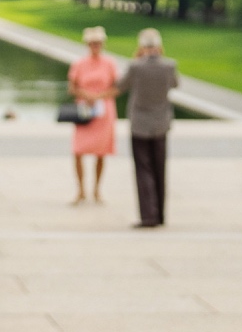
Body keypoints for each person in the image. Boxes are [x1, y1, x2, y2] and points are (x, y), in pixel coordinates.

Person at [122, 28, 179, 226]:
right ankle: (160, 214)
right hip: (161, 124)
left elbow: (121, 85)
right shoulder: (169, 66)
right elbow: (174, 84)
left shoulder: (135, 66)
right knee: (159, 169)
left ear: (141, 47)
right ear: (159, 46)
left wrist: (137, 59)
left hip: (140, 124)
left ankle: (148, 215)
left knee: (143, 169)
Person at [68, 27, 119, 204]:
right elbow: (72, 87)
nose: (95, 46)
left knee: (101, 152)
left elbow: (116, 87)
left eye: (98, 43)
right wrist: (85, 94)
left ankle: (97, 190)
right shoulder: (80, 63)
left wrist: (100, 96)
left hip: (103, 111)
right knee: (78, 150)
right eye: (92, 43)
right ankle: (81, 190)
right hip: (85, 110)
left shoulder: (109, 63)